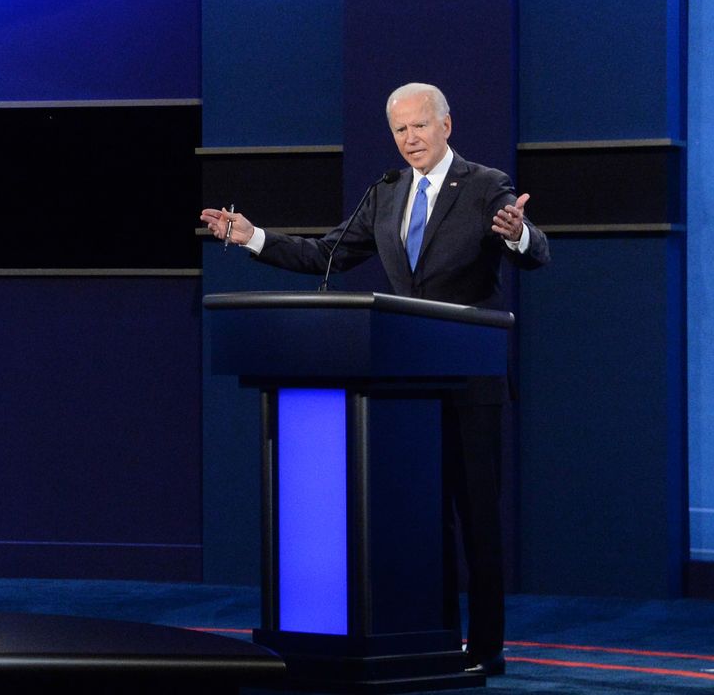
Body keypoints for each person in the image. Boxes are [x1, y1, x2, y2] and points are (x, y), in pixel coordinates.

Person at [199, 82, 548, 677]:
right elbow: (325, 255)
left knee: (477, 525)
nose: (409, 139)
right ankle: (430, 636)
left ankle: (486, 650)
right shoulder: (386, 194)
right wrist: (251, 237)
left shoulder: (486, 185)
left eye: (419, 126)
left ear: (446, 125)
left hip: (467, 388)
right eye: (399, 130)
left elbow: (533, 251)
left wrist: (515, 231)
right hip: (403, 394)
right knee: (421, 521)